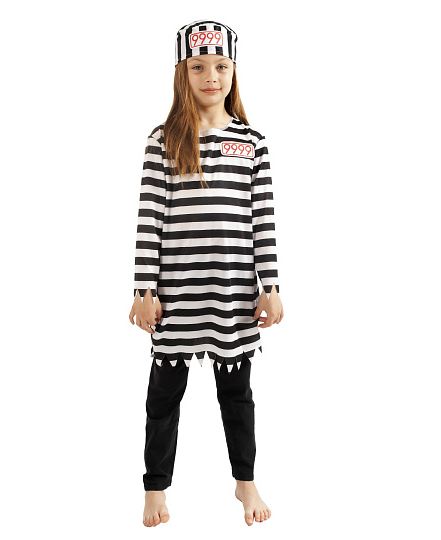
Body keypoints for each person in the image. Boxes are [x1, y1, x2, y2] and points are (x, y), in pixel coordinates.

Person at [128, 19, 284, 527]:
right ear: (182, 73)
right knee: (162, 399)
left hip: (233, 294)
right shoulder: (164, 140)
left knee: (237, 397)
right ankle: (155, 487)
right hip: (178, 296)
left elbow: (263, 221)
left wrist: (270, 287)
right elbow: (149, 219)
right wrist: (144, 289)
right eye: (198, 67)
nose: (211, 76)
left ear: (234, 71)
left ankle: (245, 481)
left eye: (220, 66)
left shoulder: (252, 142)